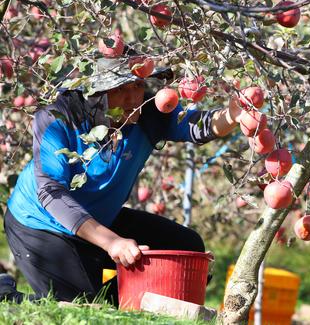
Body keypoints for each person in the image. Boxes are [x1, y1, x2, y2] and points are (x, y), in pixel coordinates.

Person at [0, 56, 242, 305]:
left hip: (101, 219)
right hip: (42, 226)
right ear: (96, 93)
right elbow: (51, 193)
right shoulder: (60, 119)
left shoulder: (150, 113)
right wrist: (112, 242)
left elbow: (195, 126)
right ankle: (7, 297)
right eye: (120, 89)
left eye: (137, 86)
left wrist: (233, 115)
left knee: (187, 248)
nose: (133, 98)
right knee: (87, 308)